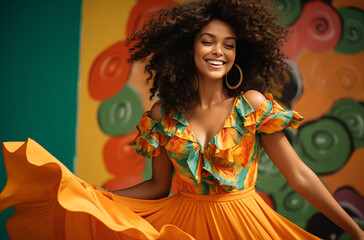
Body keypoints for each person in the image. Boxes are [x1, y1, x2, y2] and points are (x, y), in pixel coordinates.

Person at [0, 0, 363, 239]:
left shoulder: (251, 105)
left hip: (244, 225)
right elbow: (158, 187)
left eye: (229, 44)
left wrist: (355, 229)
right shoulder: (163, 115)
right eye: (208, 41)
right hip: (181, 227)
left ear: (239, 53)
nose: (218, 51)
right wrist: (99, 195)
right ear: (188, 48)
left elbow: (298, 175)